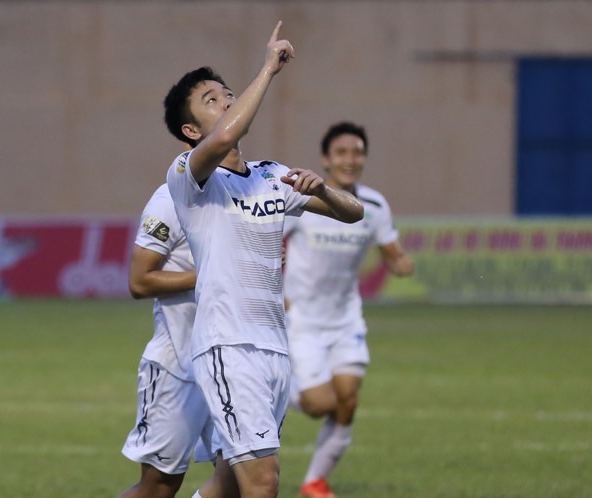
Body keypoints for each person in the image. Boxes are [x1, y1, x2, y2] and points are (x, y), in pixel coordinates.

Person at [164, 22, 363, 498]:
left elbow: (354, 214)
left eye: (228, 94)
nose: (227, 102)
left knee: (229, 488)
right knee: (264, 483)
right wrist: (268, 70)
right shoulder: (189, 176)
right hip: (228, 347)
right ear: (191, 130)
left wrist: (325, 192)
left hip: (275, 350)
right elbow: (229, 134)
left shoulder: (271, 176)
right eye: (213, 100)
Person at [283, 122, 415, 498]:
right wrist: (280, 296)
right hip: (303, 321)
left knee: (348, 400)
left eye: (356, 152)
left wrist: (401, 262)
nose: (350, 159)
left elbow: (391, 251)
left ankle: (314, 481)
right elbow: (267, 248)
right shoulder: (303, 203)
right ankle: (285, 388)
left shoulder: (373, 206)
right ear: (325, 159)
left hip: (345, 319)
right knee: (320, 404)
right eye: (341, 152)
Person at [117, 183, 237, 498]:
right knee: (158, 488)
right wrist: (210, 273)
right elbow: (139, 281)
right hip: (180, 367)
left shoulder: (242, 191)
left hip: (233, 362)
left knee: (240, 480)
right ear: (190, 132)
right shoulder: (170, 199)